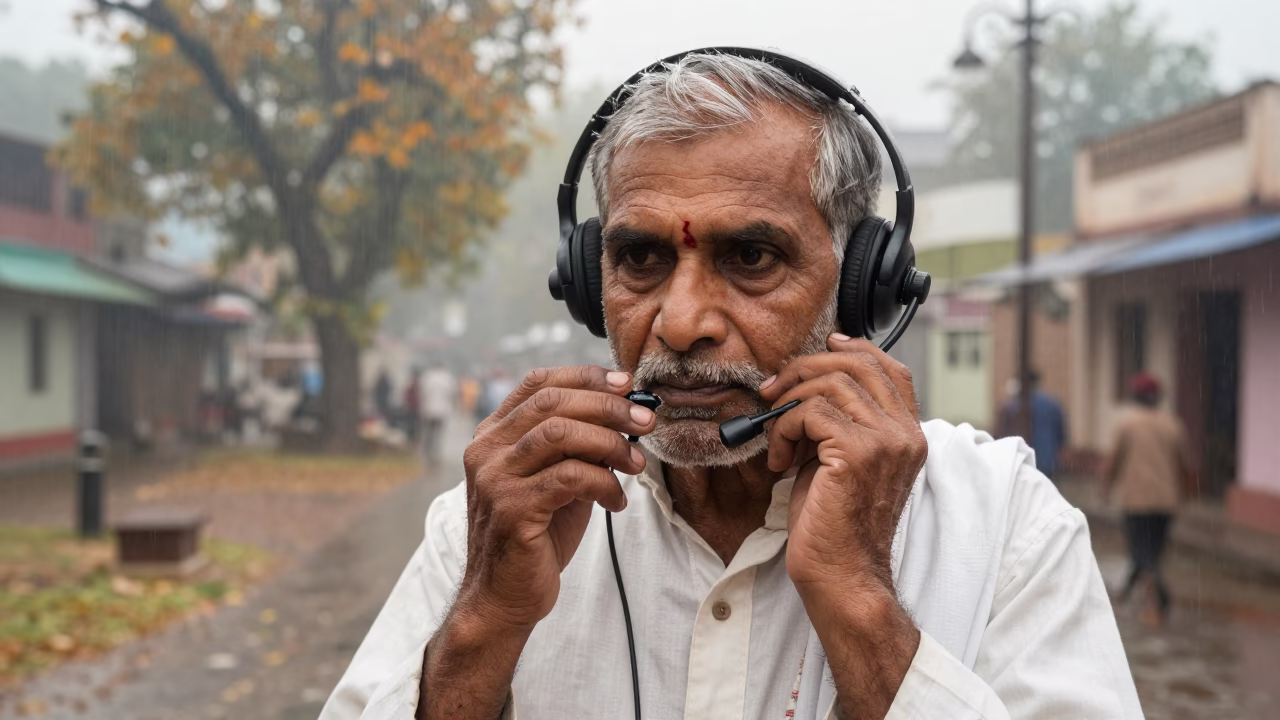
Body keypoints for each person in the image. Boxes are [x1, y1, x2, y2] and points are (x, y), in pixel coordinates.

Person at [322, 51, 1139, 719]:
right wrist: (481, 626)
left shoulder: (1005, 527)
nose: (681, 323)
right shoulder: (498, 521)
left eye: (751, 258)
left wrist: (861, 606)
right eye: (641, 258)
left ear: (861, 284)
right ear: (585, 278)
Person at [1102, 371, 1189, 627]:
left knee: (1141, 554)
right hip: (1165, 502)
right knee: (1152, 554)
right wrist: (1183, 495)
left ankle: (1156, 604)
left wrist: (1105, 487)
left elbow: (1112, 461)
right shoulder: (1173, 425)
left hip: (1136, 501)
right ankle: (1127, 594)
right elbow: (1183, 466)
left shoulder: (1127, 425)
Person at [995, 370, 1067, 480]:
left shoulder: (1013, 406)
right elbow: (1061, 435)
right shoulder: (1053, 404)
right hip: (1049, 460)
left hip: (1021, 461)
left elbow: (1001, 434)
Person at [420, 366, 456, 462]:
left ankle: (428, 449)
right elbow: (451, 394)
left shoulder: (428, 377)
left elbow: (422, 392)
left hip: (429, 409)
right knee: (438, 432)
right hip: (442, 410)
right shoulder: (446, 378)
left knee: (429, 431)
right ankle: (435, 450)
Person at [402, 370, 421, 444]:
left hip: (413, 408)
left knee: (413, 426)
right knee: (412, 426)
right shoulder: (414, 386)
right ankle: (412, 440)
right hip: (413, 408)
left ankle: (413, 439)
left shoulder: (412, 385)